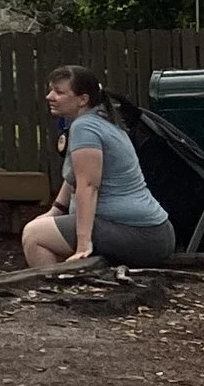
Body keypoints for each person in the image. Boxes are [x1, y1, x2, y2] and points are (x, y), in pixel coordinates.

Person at [22, 67, 175, 269]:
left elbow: (88, 185)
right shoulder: (98, 119)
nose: (49, 96)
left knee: (34, 235)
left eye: (59, 92)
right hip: (150, 233)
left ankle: (59, 296)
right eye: (51, 90)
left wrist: (83, 243)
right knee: (44, 229)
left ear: (83, 99)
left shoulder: (86, 127)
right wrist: (56, 210)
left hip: (141, 235)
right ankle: (69, 289)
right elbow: (75, 175)